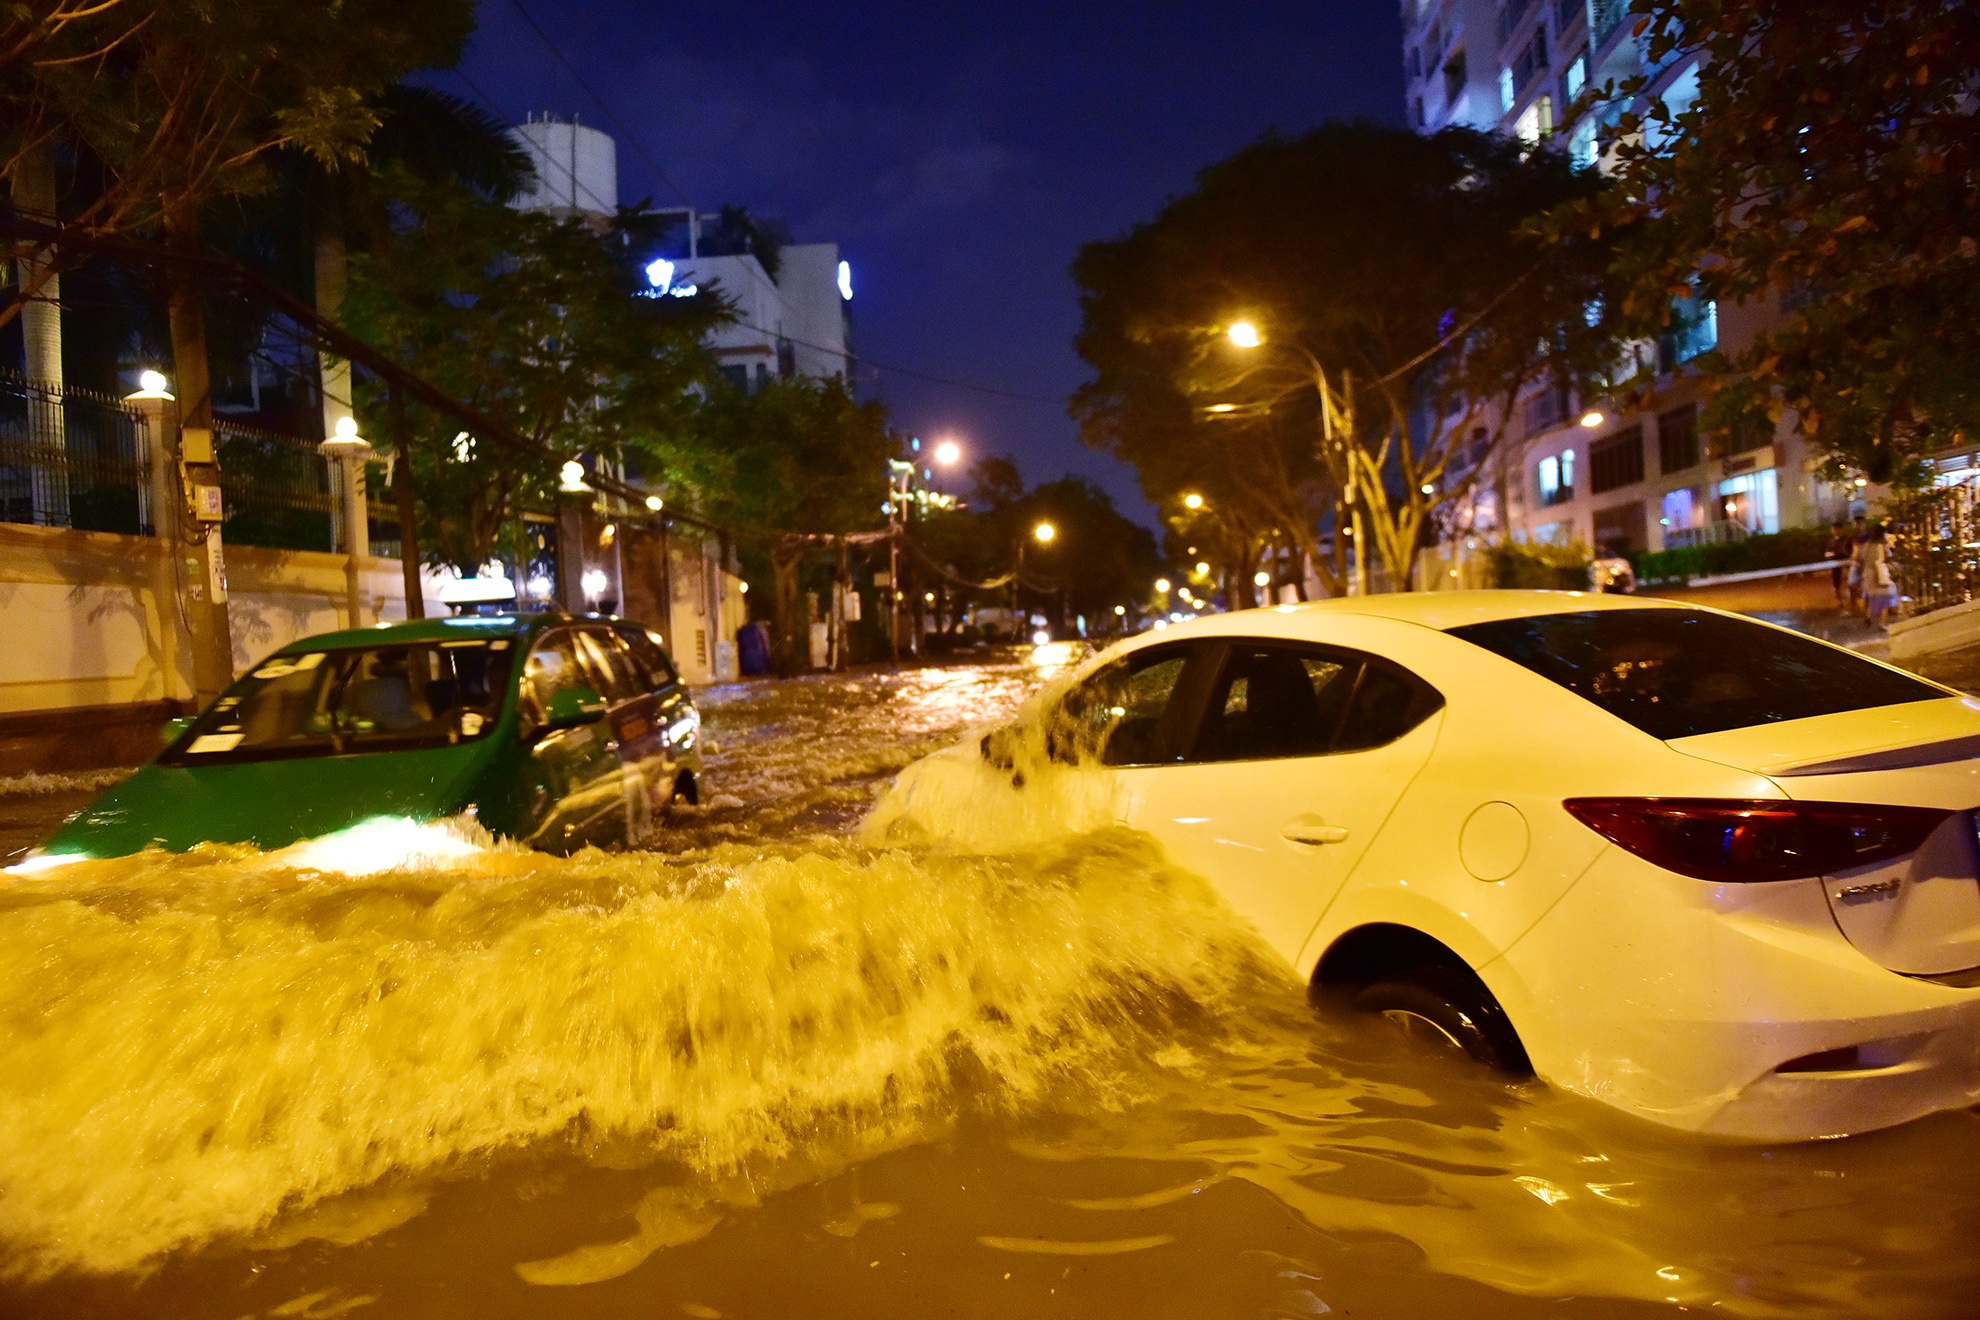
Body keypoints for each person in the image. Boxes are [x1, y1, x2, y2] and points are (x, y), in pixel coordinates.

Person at [1855, 521, 1899, 628]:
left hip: (1867, 573)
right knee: (1886, 598)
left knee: (1873, 597)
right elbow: (1887, 557)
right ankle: (1882, 622)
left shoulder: (1867, 544)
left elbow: (1861, 558)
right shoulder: (1883, 545)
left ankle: (1868, 616)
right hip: (1880, 574)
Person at [1824, 518, 1854, 607]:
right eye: (1833, 529)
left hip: (1847, 563)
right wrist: (1829, 554)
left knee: (1852, 581)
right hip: (1835, 564)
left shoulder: (1848, 539)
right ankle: (1840, 602)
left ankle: (1853, 600)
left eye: (1837, 529)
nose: (1835, 531)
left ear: (1841, 529)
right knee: (1836, 583)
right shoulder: (1831, 541)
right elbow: (1827, 552)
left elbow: (1852, 550)